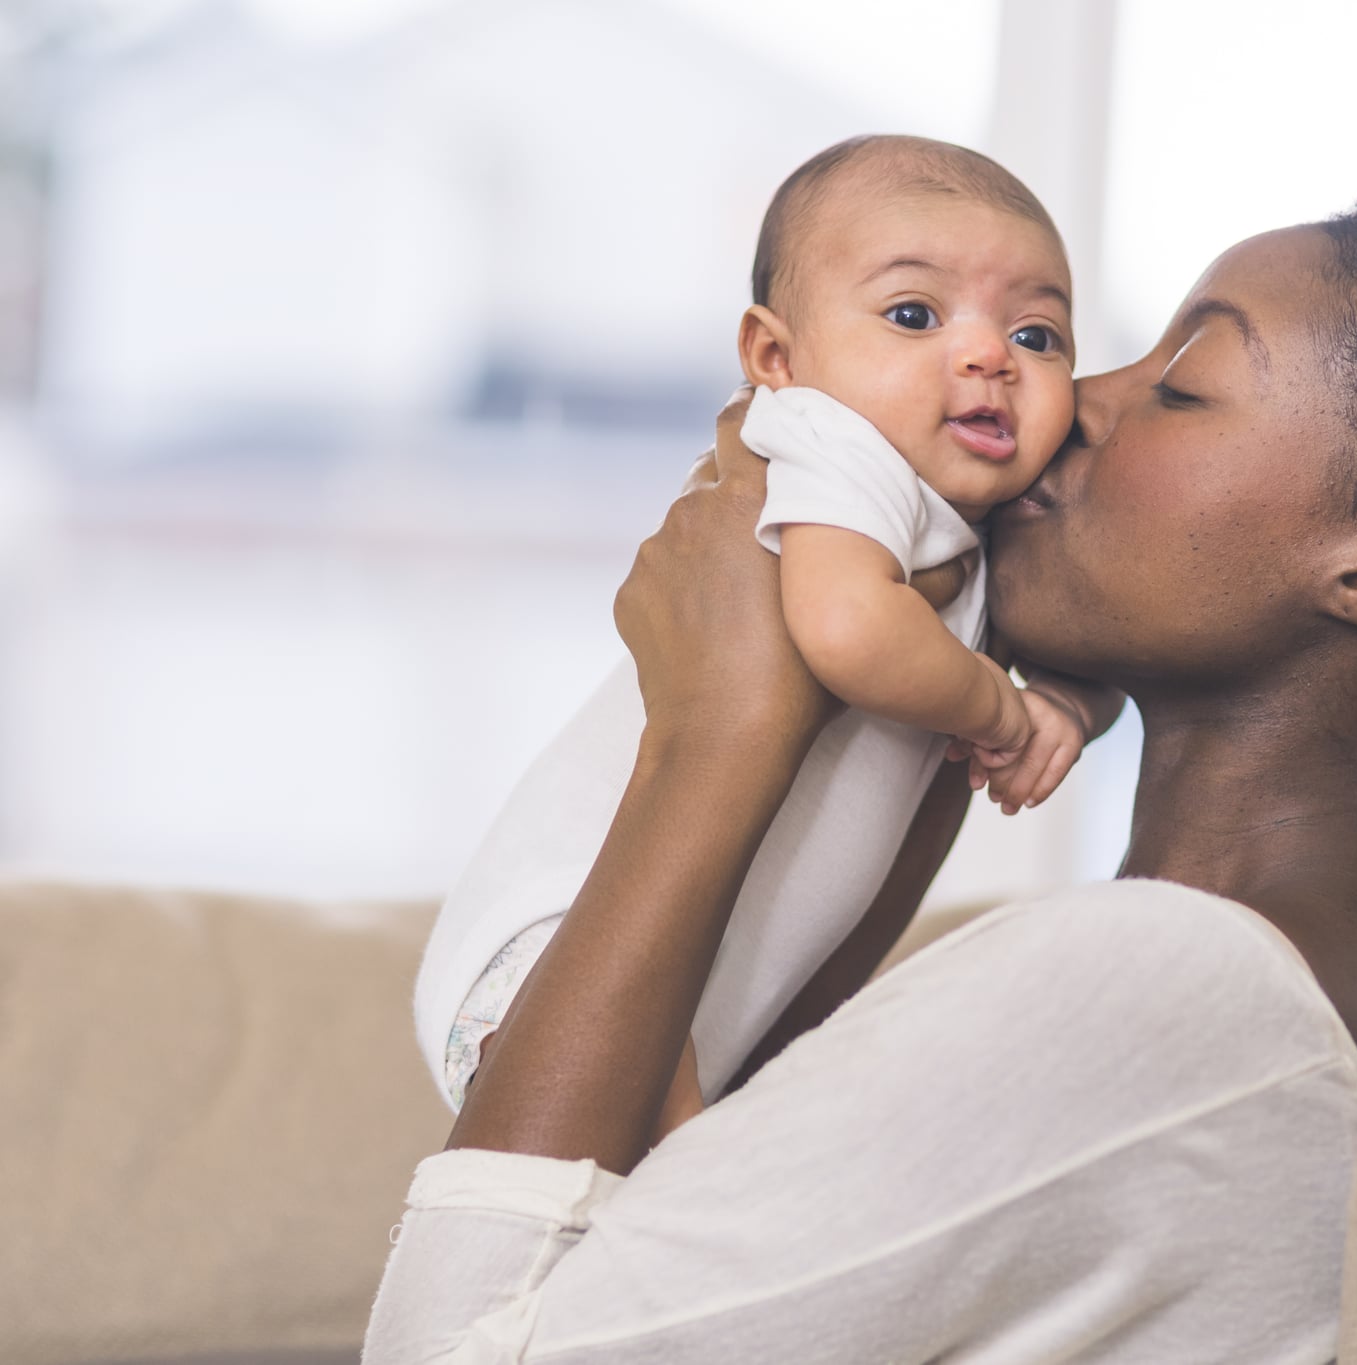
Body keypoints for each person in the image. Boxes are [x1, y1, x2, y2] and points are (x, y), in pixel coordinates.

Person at [365, 154, 1357, 1362]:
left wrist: (716, 732)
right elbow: (706, 1208)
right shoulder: (1263, 999)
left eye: (1185, 382)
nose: (1071, 395)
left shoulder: (1174, 992)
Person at [412, 136, 1122, 1116]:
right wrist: (1007, 718)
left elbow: (1111, 632)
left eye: (1038, 337)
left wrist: (1074, 706)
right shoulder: (830, 442)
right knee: (655, 1202)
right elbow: (848, 628)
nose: (987, 355)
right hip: (560, 938)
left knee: (678, 1204)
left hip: (715, 983)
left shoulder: (982, 515)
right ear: (775, 359)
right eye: (913, 315)